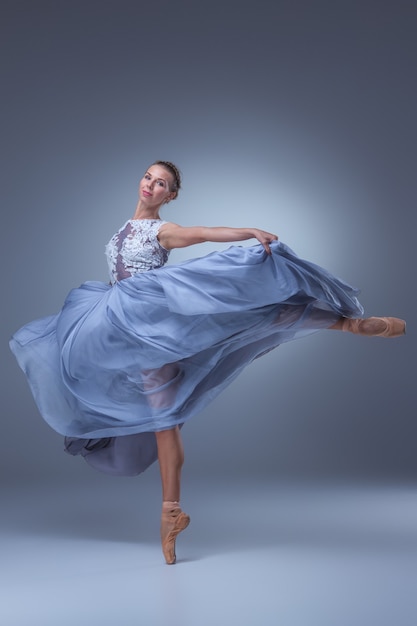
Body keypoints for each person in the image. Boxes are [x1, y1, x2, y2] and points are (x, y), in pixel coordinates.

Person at [10, 160, 406, 565]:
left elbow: (200, 234)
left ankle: (347, 323)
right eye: (149, 177)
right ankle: (171, 512)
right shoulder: (121, 230)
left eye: (161, 183)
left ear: (171, 195)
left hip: (144, 321)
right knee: (164, 417)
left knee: (172, 402)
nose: (151, 185)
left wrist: (246, 231)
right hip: (123, 321)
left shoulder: (161, 230)